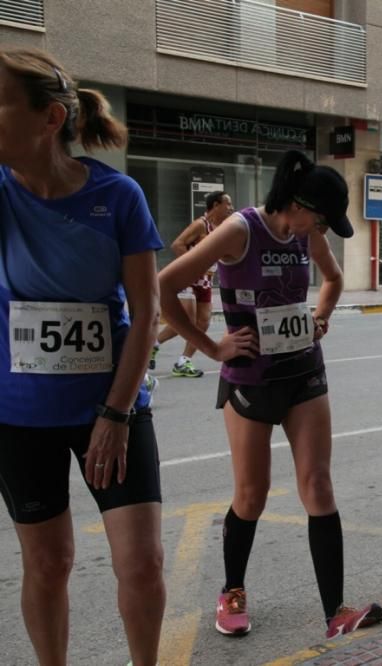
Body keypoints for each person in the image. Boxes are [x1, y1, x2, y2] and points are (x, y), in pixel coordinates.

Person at [159, 150, 382, 638]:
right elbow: (165, 285)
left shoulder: (306, 237)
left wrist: (320, 318)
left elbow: (335, 280)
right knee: (252, 495)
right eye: (320, 220)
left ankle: (335, 613)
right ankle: (232, 590)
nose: (320, 231)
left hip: (303, 372)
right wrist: (212, 347)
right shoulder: (241, 230)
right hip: (249, 381)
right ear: (299, 205)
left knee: (318, 485)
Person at [0, 48, 165, 666]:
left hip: (115, 408)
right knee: (48, 562)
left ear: (48, 119)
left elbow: (147, 313)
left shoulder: (118, 196)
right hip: (19, 415)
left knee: (142, 563)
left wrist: (116, 416)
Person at [150, 190, 233, 377]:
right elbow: (177, 244)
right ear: (216, 205)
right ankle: (153, 344)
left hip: (205, 281)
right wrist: (193, 264)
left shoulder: (222, 228)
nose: (231, 208)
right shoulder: (200, 224)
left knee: (203, 321)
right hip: (189, 277)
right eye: (228, 204)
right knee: (186, 320)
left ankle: (183, 361)